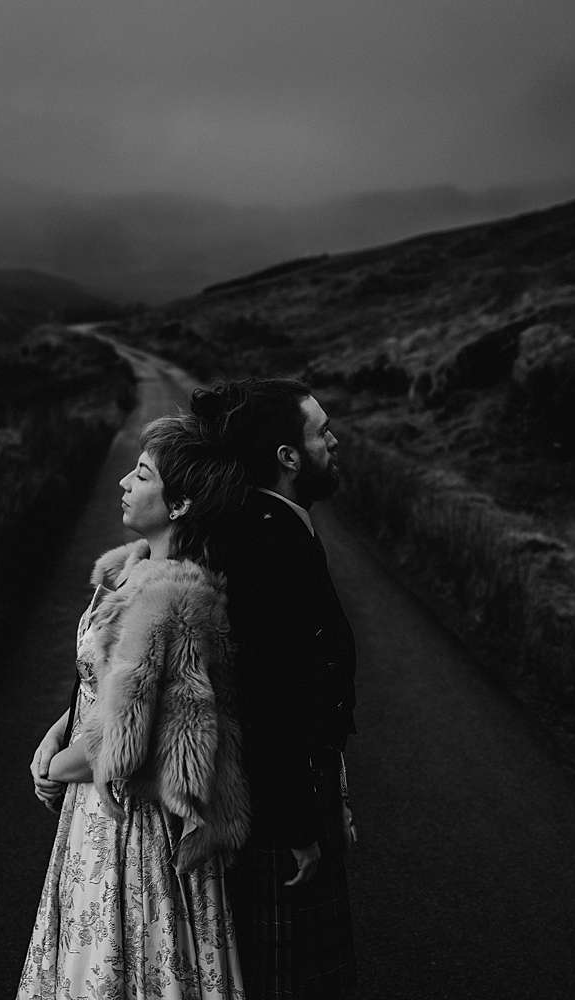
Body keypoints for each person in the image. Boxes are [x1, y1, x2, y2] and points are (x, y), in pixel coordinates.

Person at [17, 413, 254, 1000]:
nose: (124, 481)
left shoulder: (174, 598)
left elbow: (131, 741)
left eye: (141, 474)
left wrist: (56, 769)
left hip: (131, 823)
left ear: (179, 506)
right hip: (92, 811)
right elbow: (96, 689)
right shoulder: (129, 573)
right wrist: (54, 740)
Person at [192, 377, 358, 999]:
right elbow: (268, 697)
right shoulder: (266, 541)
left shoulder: (278, 525)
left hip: (291, 794)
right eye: (321, 432)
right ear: (288, 458)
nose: (334, 441)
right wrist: (296, 825)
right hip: (273, 814)